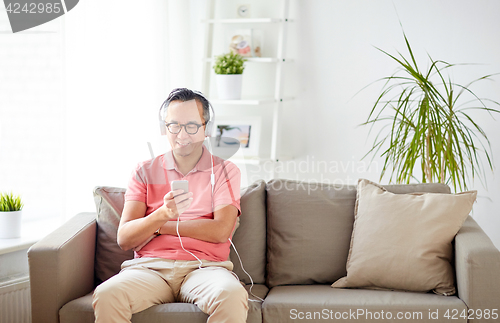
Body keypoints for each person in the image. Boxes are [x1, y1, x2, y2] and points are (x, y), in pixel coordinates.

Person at [92, 88, 248, 323]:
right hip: (149, 269)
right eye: (174, 125)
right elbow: (125, 238)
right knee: (107, 294)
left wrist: (160, 226)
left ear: (206, 128)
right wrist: (164, 212)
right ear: (165, 128)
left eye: (192, 126)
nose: (182, 134)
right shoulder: (144, 171)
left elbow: (220, 231)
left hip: (204, 269)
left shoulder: (225, 171)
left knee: (231, 293)